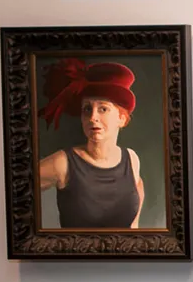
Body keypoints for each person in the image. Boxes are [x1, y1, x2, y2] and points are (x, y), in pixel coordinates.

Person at [38, 58, 144, 229]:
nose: (93, 117)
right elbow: (17, 191)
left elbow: (137, 192)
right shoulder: (63, 162)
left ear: (122, 119)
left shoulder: (131, 159)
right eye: (87, 109)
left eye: (103, 109)